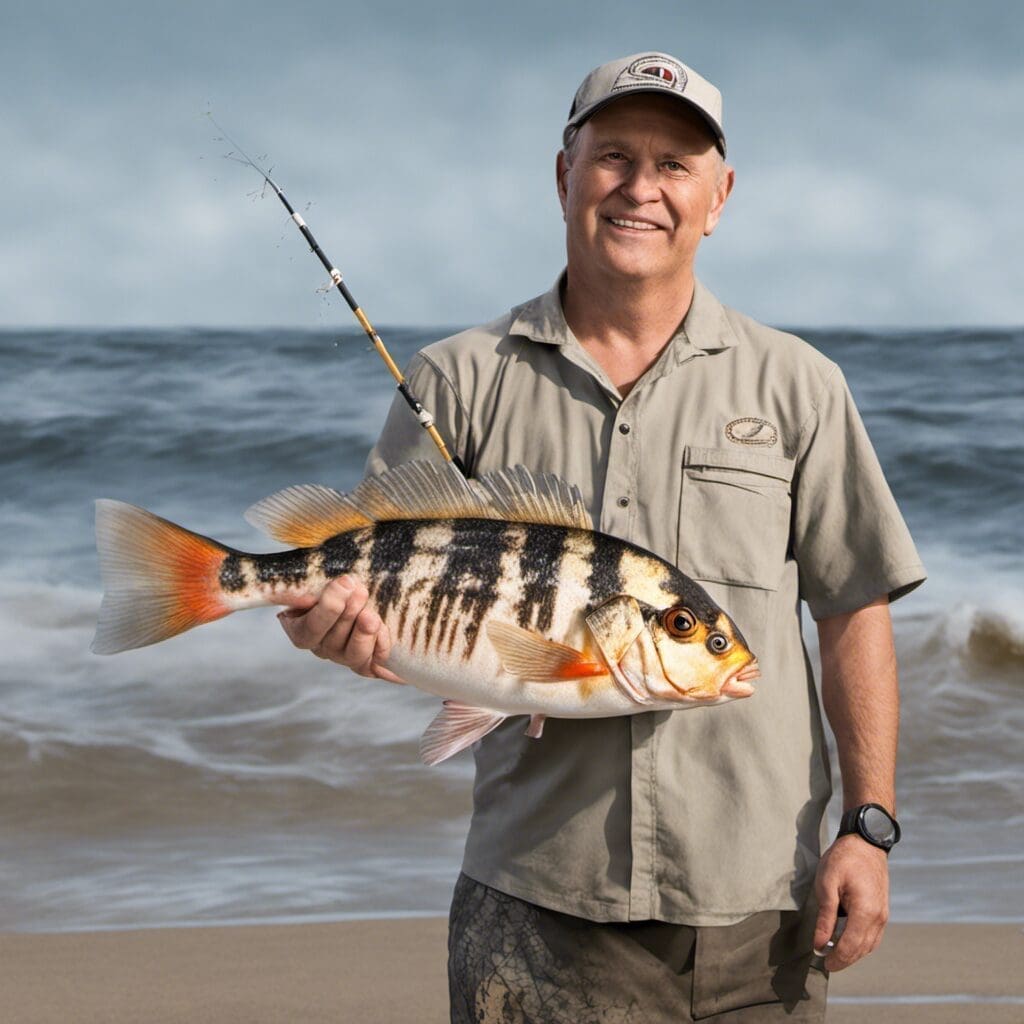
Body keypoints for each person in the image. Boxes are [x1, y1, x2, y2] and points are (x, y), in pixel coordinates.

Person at [279, 52, 926, 1022]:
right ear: (562, 175)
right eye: (613, 155)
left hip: (764, 916)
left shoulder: (799, 386)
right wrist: (332, 635)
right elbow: (392, 604)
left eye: (674, 164)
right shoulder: (457, 379)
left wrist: (866, 829)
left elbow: (851, 607)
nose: (641, 187)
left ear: (719, 197)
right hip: (538, 905)